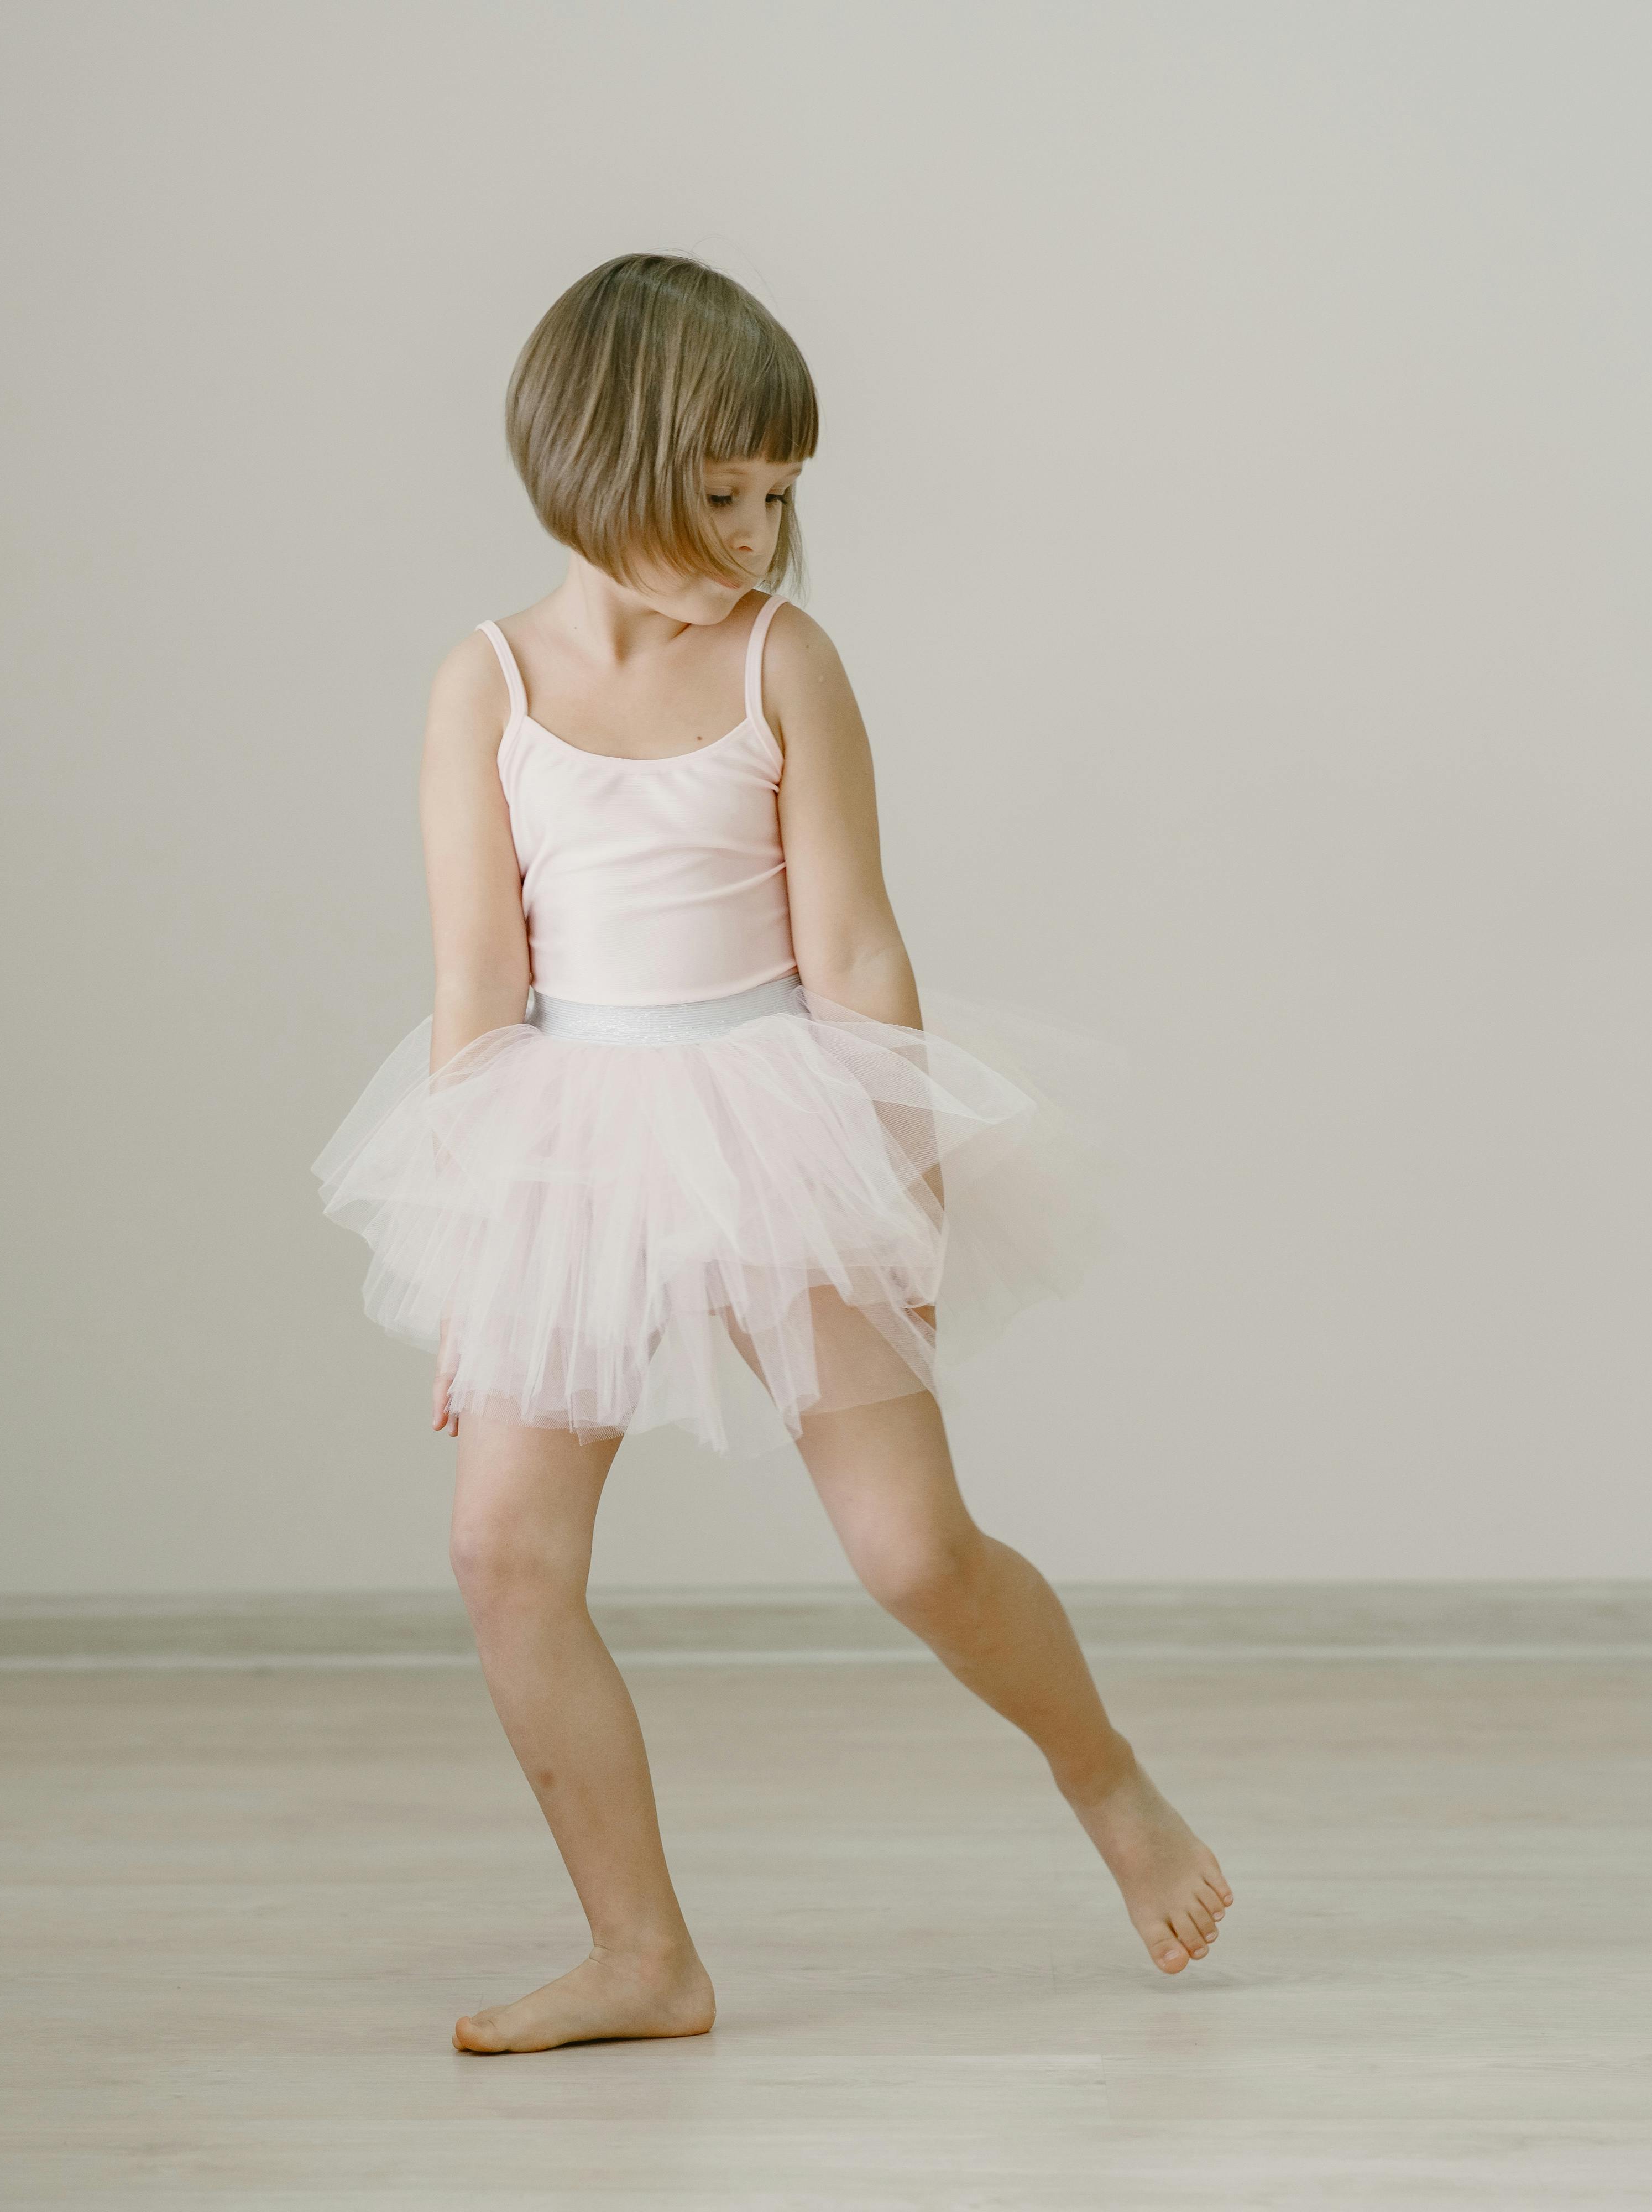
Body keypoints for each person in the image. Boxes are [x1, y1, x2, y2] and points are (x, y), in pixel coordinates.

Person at [315, 252, 1228, 2056]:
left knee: (912, 1553)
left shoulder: (781, 662)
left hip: (777, 1108)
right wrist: (470, 1254)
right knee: (503, 1555)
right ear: (593, 461)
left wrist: (893, 1171)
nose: (757, 534)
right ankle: (642, 1952)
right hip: (568, 1140)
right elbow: (474, 981)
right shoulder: (482, 686)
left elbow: (859, 945)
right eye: (720, 493)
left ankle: (1107, 1779)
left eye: (781, 497)